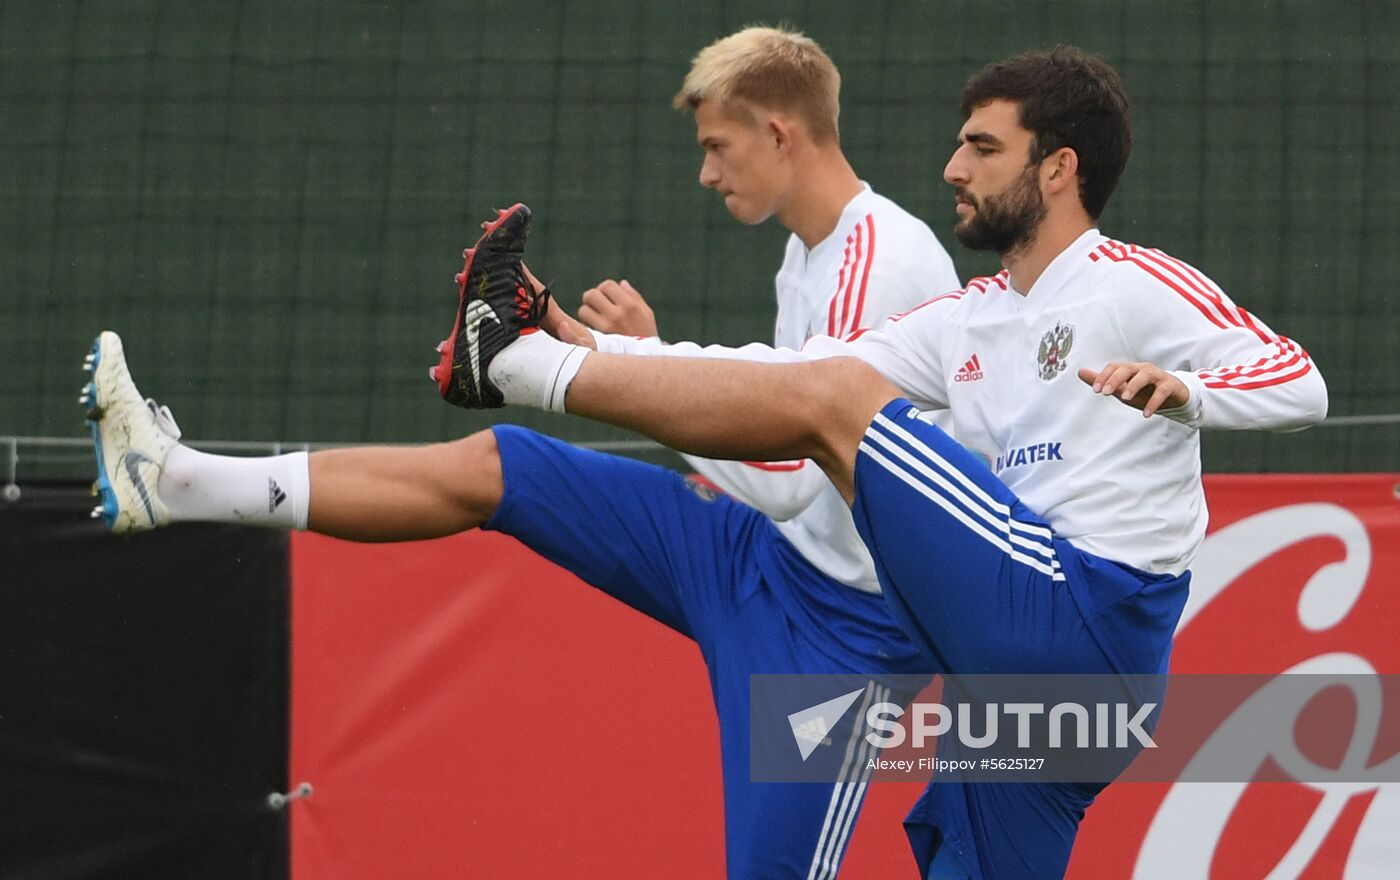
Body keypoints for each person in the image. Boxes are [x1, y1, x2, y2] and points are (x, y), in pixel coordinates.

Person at [417, 47, 1329, 878]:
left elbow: (1301, 379)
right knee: (828, 388)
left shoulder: (1129, 281)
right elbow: (783, 379)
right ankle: (532, 358)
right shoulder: (967, 317)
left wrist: (1188, 391)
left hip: (1085, 622)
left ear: (1058, 169)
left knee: (845, 409)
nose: (953, 169)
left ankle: (512, 366)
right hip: (1022, 689)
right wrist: (597, 347)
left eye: (982, 147)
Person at [84, 27, 961, 880]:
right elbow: (770, 422)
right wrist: (594, 348)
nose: (705, 170)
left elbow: (784, 475)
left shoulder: (879, 257)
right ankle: (177, 479)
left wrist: (599, 369)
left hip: (845, 637)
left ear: (780, 131)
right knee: (504, 465)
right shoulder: (806, 256)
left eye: (717, 146)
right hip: (756, 557)